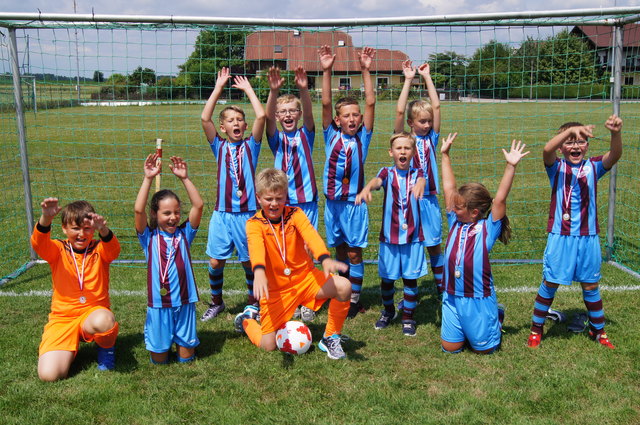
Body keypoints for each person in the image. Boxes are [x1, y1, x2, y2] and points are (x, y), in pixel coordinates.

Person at [527, 115, 623, 350]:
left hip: (588, 238)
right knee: (550, 282)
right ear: (562, 147)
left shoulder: (593, 167)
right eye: (570, 141)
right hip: (560, 236)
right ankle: (536, 329)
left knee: (590, 286)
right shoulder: (556, 166)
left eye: (580, 141)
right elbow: (547, 149)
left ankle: (598, 330)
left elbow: (615, 155)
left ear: (587, 146)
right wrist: (572, 131)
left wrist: (615, 134)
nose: (575, 146)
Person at [235, 168, 352, 360]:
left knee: (344, 286)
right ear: (258, 198)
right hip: (276, 292)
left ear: (286, 196)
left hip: (305, 279)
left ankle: (330, 337)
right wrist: (259, 272)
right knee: (268, 346)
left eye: (279, 198)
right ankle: (247, 320)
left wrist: (324, 258)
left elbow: (311, 236)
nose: (274, 204)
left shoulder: (295, 214)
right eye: (269, 199)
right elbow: (256, 249)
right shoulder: (254, 224)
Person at [440, 134, 529, 354]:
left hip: (478, 298)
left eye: (459, 207)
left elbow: (499, 200)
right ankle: (464, 328)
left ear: (474, 212)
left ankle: (494, 317)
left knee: (485, 350)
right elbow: (449, 189)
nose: (452, 208)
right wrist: (445, 155)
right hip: (452, 296)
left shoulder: (487, 229)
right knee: (450, 348)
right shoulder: (454, 221)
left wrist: (510, 166)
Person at [200, 67, 266, 321]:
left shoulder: (251, 146)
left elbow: (261, 116)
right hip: (222, 214)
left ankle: (253, 303)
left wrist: (248, 89)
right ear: (223, 127)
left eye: (239, 120)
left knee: (249, 262)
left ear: (245, 126)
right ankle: (216, 302)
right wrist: (218, 88)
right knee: (216, 262)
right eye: (230, 121)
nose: (236, 123)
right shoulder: (219, 145)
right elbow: (205, 119)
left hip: (248, 214)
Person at [32, 198, 121, 381]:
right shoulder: (58, 249)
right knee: (49, 376)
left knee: (104, 319)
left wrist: (103, 229)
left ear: (93, 229)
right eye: (75, 228)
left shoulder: (99, 248)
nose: (82, 234)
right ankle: (68, 348)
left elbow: (114, 251)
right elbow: (38, 244)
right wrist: (45, 219)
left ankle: (106, 351)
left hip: (92, 315)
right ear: (64, 228)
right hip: (63, 319)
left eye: (87, 228)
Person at [318, 44, 376, 318]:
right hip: (333, 206)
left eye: (356, 115)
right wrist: (327, 70)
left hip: (354, 206)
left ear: (360, 120)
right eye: (346, 116)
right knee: (339, 251)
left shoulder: (362, 138)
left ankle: (353, 300)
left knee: (354, 254)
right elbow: (326, 103)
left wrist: (366, 70)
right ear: (338, 120)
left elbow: (371, 102)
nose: (352, 118)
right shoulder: (331, 135)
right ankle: (341, 294)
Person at [134, 154, 204, 364]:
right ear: (155, 215)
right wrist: (148, 179)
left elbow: (198, 206)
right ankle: (162, 345)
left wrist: (185, 178)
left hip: (184, 301)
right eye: (166, 213)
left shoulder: (184, 234)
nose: (173, 217)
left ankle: (183, 345)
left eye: (176, 212)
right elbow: (138, 210)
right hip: (158, 303)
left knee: (186, 359)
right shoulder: (149, 237)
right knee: (160, 360)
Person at [356, 132, 427, 336]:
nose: (403, 151)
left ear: (413, 152)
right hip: (389, 238)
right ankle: (388, 311)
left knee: (410, 279)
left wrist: (420, 185)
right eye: (399, 148)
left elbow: (422, 180)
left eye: (407, 148)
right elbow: (377, 181)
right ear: (391, 152)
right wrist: (367, 188)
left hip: (412, 238)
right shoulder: (387, 172)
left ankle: (408, 317)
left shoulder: (417, 173)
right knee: (387, 279)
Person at [265, 66, 319, 322]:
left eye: (292, 111)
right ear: (277, 116)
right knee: (286, 253)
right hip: (284, 205)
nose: (288, 115)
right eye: (282, 112)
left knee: (308, 251)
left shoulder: (306, 135)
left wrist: (303, 90)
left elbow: (310, 114)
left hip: (307, 203)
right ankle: (291, 297)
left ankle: (308, 299)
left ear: (297, 114)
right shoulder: (275, 139)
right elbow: (266, 119)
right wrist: (273, 92)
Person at [394, 60, 445, 296]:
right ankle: (410, 294)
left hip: (430, 200)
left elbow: (436, 107)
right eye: (421, 121)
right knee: (412, 246)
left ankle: (442, 290)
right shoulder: (404, 140)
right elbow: (399, 110)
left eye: (428, 121)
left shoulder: (431, 138)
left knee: (434, 244)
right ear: (411, 124)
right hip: (409, 202)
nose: (427, 125)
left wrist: (426, 77)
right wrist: (407, 80)